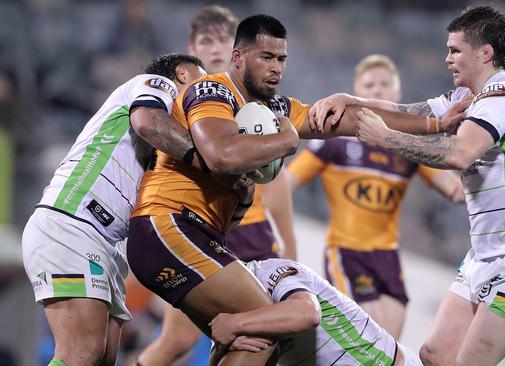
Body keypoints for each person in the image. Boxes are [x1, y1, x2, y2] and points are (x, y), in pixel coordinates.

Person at [127, 14, 462, 365]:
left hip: (198, 235)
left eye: (281, 59)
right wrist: (286, 140)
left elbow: (355, 120)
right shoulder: (212, 90)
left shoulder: (276, 108)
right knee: (264, 320)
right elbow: (221, 156)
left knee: (251, 337)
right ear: (238, 57)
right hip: (168, 224)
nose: (276, 68)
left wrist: (435, 120)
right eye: (266, 57)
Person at [311, 6, 505, 365]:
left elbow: (459, 153)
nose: (447, 59)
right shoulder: (464, 99)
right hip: (485, 254)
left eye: (455, 50)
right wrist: (349, 99)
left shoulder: (503, 97)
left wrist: (386, 140)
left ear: (485, 53)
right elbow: (405, 112)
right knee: (434, 354)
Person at [21, 53, 209, 366]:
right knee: (82, 351)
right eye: (200, 82)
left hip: (104, 241)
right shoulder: (156, 86)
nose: (203, 94)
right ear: (181, 73)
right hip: (74, 220)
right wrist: (207, 158)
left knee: (103, 357)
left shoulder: (170, 144)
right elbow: (146, 122)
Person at [135, 6, 298, 365]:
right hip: (183, 229)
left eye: (223, 41)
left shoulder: (257, 115)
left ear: (234, 53)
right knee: (183, 339)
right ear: (190, 52)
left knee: (252, 336)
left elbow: (270, 199)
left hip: (237, 238)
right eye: (205, 42)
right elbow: (154, 134)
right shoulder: (182, 102)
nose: (216, 49)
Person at [287, 54, 464, 339]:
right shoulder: (335, 143)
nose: (377, 90)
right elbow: (286, 183)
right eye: (370, 86)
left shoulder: (406, 146)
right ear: (358, 96)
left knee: (388, 345)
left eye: (384, 84)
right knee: (368, 338)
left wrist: (493, 178)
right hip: (347, 252)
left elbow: (454, 190)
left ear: (397, 94)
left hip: (388, 258)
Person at [210, 258, 424, 365]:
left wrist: (235, 324)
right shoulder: (231, 309)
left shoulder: (268, 272)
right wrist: (221, 347)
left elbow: (307, 314)